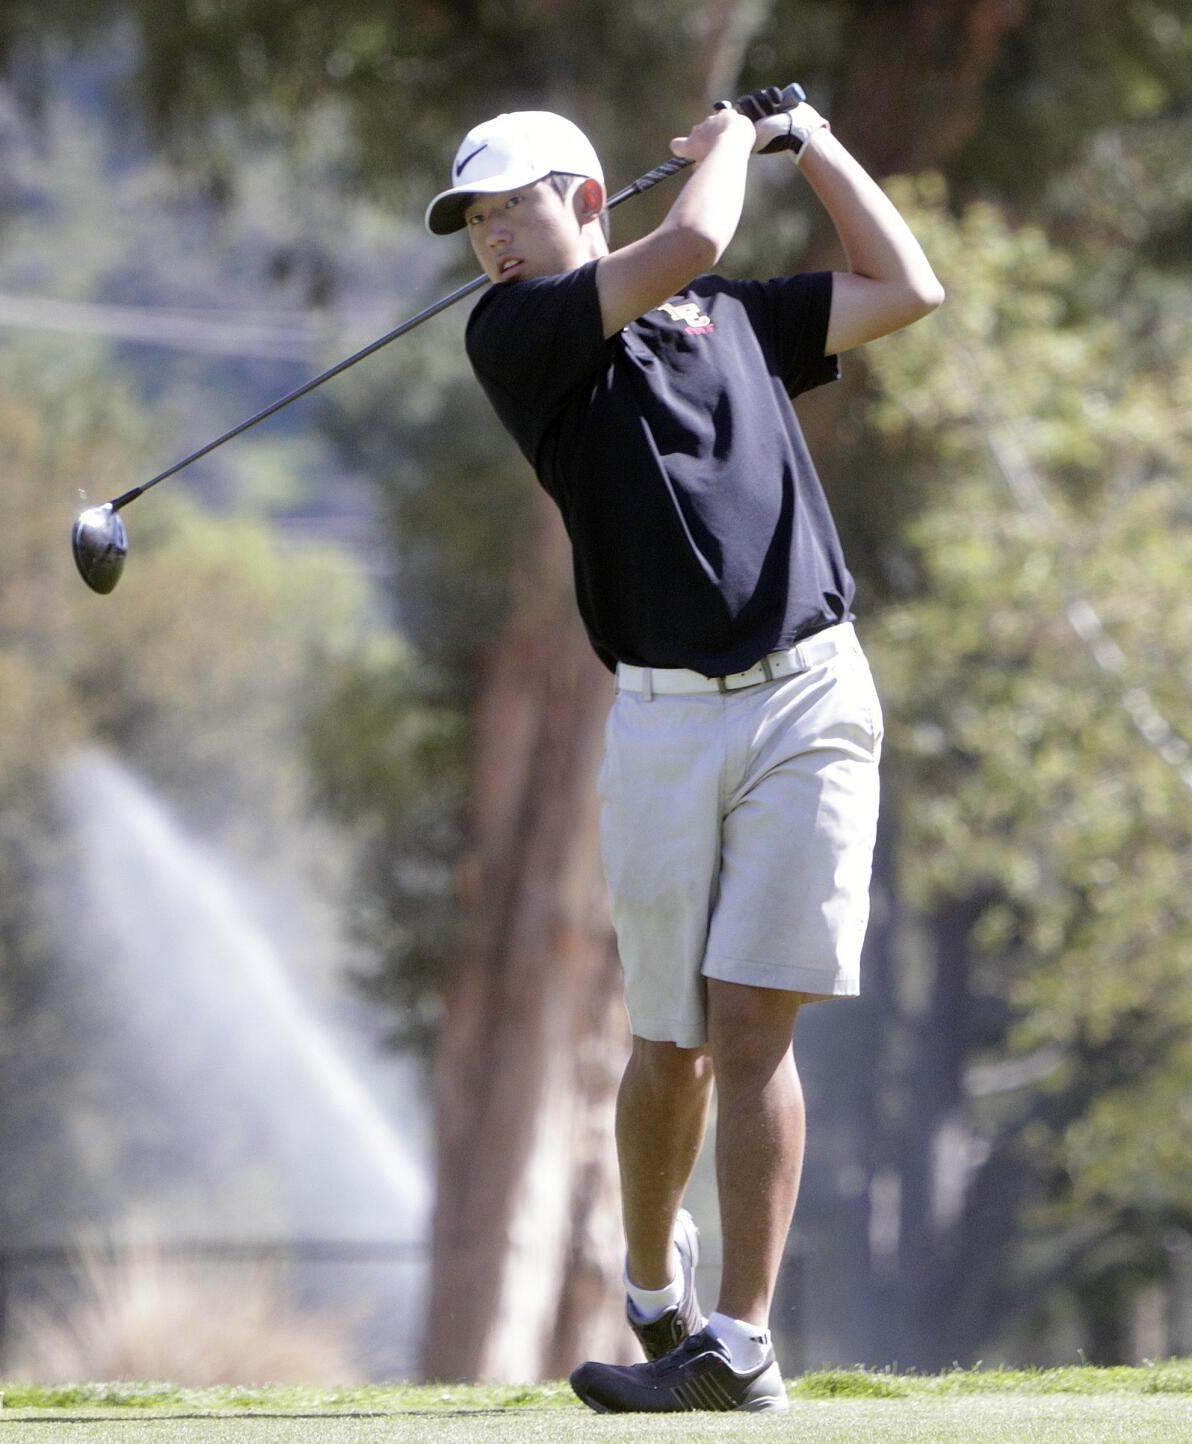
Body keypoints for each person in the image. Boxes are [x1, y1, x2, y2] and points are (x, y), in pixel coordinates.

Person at [426, 91, 942, 1414]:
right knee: (672, 1045)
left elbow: (907, 285)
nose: (492, 242)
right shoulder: (520, 333)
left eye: (512, 211)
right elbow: (695, 241)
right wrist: (726, 150)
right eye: (474, 225)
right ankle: (656, 1282)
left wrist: (812, 139)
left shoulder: (735, 324)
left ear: (586, 198)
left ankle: (746, 1345)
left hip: (809, 699)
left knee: (752, 1022)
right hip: (662, 715)